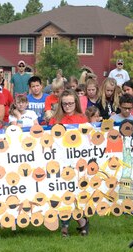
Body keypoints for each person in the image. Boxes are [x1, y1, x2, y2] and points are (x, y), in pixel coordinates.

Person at [48, 90, 89, 237]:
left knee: (75, 193)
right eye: (65, 103)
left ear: (76, 102)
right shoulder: (55, 119)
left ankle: (78, 222)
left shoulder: (82, 119)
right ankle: (72, 224)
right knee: (62, 193)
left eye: (71, 103)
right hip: (60, 162)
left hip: (76, 162)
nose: (68, 106)